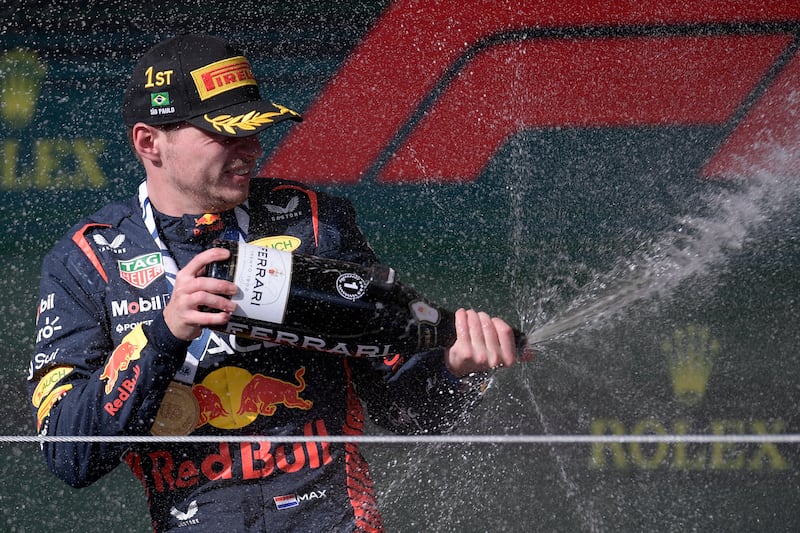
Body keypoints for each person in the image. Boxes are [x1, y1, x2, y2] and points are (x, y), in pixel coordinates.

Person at [28, 34, 523, 532]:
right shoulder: (87, 260)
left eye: (256, 131)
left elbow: (400, 406)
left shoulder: (310, 221)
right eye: (226, 135)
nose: (249, 150)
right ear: (149, 142)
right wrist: (163, 336)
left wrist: (455, 367)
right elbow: (69, 456)